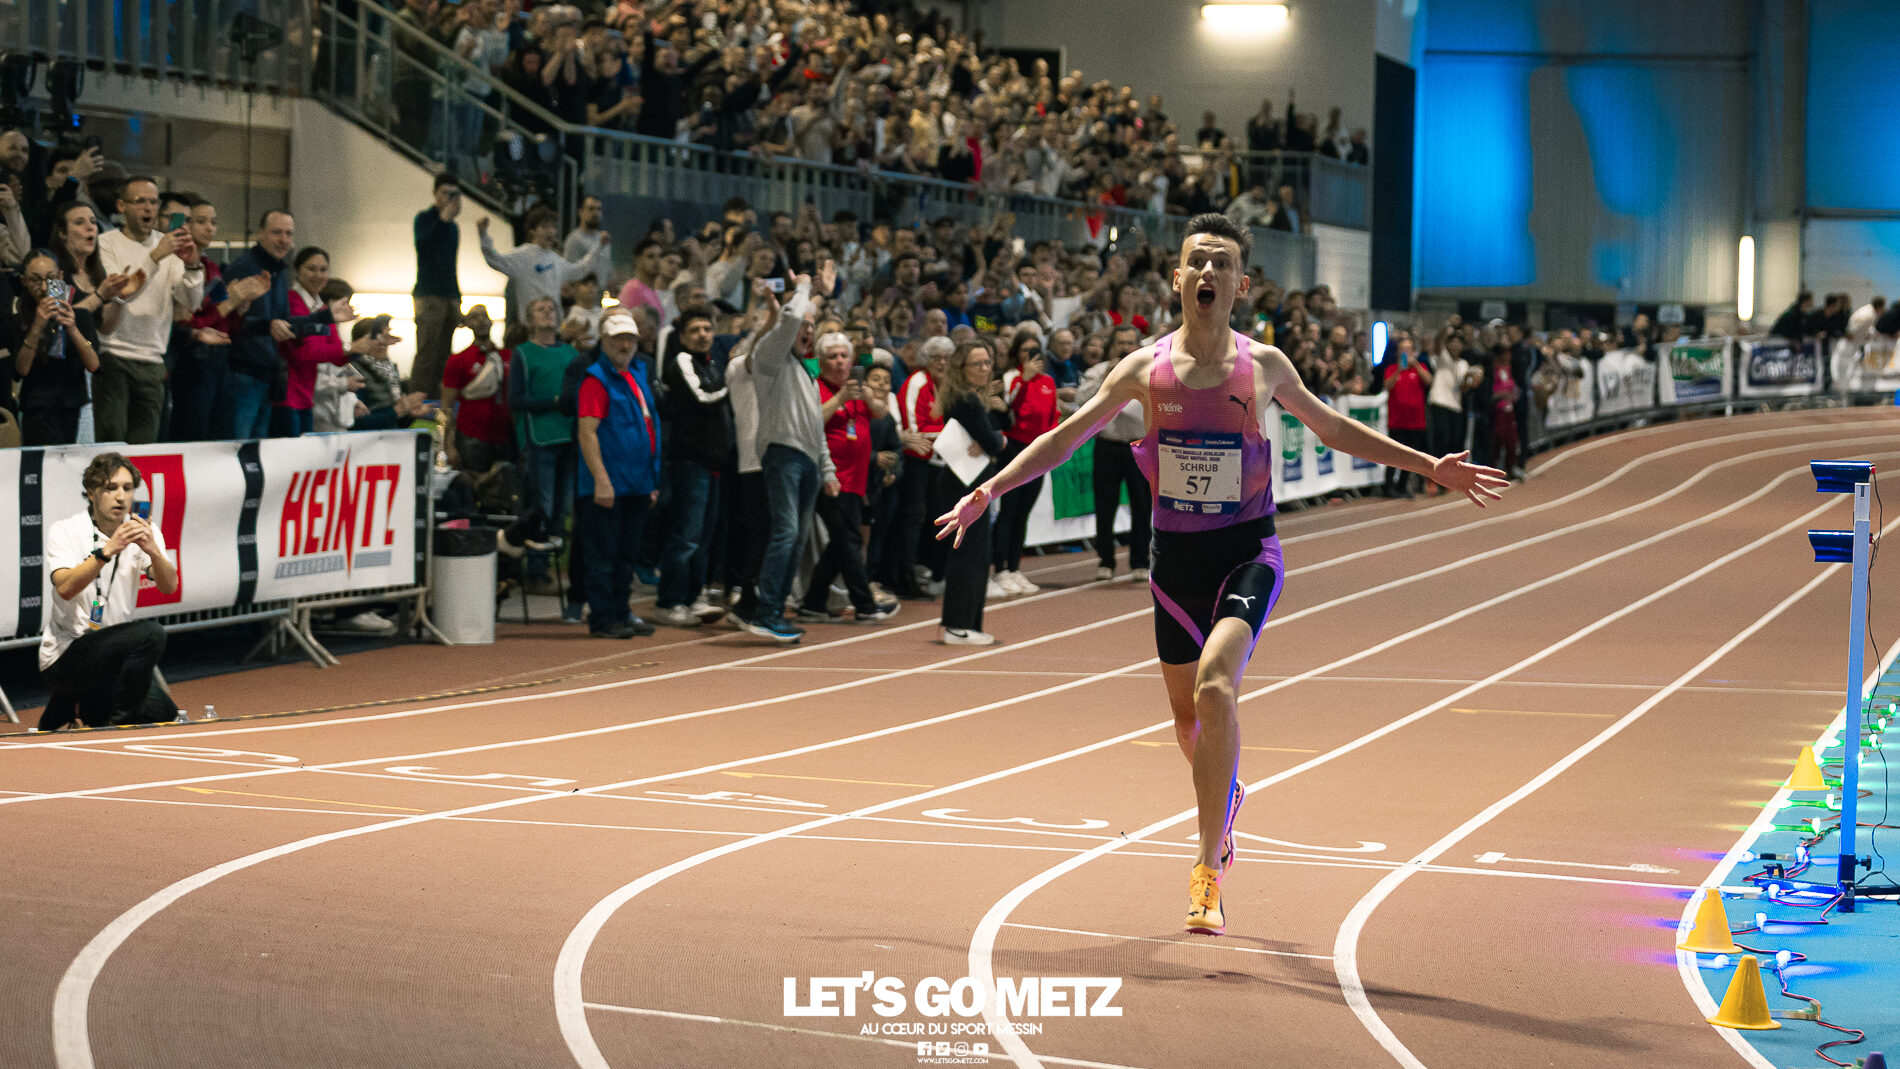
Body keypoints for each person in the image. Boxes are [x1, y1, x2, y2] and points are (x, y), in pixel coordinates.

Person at [935, 214, 1507, 936]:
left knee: (1215, 686)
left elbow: (1333, 428)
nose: (1207, 272)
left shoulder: (1264, 366)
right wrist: (990, 488)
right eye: (1195, 261)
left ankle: (1208, 866)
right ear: (1177, 279)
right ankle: (1224, 792)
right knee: (1188, 721)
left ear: (1241, 283)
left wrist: (1431, 466)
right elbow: (1063, 436)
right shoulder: (1143, 370)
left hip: (1246, 551)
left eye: (1221, 263)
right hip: (1173, 561)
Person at [37, 453, 180, 730]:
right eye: (110, 488)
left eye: (127, 489)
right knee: (151, 634)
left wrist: (153, 551)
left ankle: (67, 709)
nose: (120, 497)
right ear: (91, 493)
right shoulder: (66, 530)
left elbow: (169, 586)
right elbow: (65, 588)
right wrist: (106, 551)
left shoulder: (144, 531)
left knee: (165, 713)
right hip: (68, 653)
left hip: (113, 654)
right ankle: (116, 723)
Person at [741, 270, 839, 644]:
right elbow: (792, 318)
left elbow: (816, 426)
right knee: (786, 532)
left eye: (813, 328)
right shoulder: (769, 357)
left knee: (796, 541)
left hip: (808, 462)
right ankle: (764, 612)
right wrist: (803, 288)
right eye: (804, 326)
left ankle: (776, 611)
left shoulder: (806, 372)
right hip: (782, 455)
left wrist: (827, 469)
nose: (808, 331)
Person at [798, 332, 899, 625]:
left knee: (841, 542)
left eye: (844, 356)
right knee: (850, 539)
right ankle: (864, 603)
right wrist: (840, 397)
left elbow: (880, 413)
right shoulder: (815, 386)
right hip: (830, 478)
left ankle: (814, 603)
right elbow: (812, 421)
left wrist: (868, 395)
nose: (840, 362)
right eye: (832, 357)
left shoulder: (857, 387)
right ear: (821, 361)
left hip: (857, 480)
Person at [95, 175, 205, 444]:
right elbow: (121, 290)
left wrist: (192, 266)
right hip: (114, 354)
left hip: (153, 359)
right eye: (139, 201)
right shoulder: (107, 242)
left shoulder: (167, 243)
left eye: (153, 202)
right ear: (121, 206)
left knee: (145, 447)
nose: (148, 207)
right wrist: (156, 256)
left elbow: (191, 303)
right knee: (112, 441)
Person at [575, 315, 661, 638]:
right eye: (617, 339)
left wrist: (651, 481)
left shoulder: (636, 376)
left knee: (627, 554)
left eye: (630, 339)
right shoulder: (595, 380)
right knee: (603, 555)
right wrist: (600, 478)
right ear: (604, 341)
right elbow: (587, 432)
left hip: (637, 483)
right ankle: (603, 617)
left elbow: (649, 427)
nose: (625, 345)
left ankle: (621, 611)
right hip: (609, 484)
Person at [653, 304, 734, 629]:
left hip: (713, 463)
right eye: (696, 330)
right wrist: (733, 384)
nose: (703, 335)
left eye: (707, 329)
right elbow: (703, 396)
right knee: (686, 536)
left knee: (703, 536)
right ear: (683, 337)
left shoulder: (711, 363)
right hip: (690, 462)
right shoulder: (683, 362)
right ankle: (668, 602)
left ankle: (693, 597)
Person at [933, 338, 1011, 645]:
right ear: (961, 368)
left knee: (979, 553)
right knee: (968, 553)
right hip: (962, 483)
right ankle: (957, 625)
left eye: (987, 363)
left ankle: (969, 625)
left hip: (977, 482)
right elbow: (994, 443)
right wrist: (998, 440)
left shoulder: (979, 399)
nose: (983, 369)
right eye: (976, 364)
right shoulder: (964, 400)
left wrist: (995, 435)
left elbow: (998, 432)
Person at [1078, 323, 1151, 581]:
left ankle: (1140, 561)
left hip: (1140, 445)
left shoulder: (1148, 370)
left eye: (1129, 343)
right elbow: (1080, 398)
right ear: (1112, 346)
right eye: (1120, 343)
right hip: (1108, 445)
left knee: (1142, 506)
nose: (1125, 348)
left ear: (1138, 345)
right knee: (1105, 505)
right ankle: (1105, 561)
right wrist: (1105, 377)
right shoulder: (1098, 371)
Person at [993, 333, 1057, 593]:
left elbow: (1053, 417)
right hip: (1014, 449)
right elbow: (1008, 412)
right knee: (1009, 509)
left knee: (1023, 513)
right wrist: (1024, 380)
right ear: (1017, 353)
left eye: (1035, 350)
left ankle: (1014, 568)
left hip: (1037, 451)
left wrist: (1052, 446)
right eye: (1025, 350)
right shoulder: (1011, 378)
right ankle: (999, 570)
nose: (1031, 355)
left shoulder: (1049, 382)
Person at [441, 305, 514, 474]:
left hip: (504, 437)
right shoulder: (458, 360)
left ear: (491, 322)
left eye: (484, 316)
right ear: (468, 324)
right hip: (471, 436)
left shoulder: (508, 357)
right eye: (474, 317)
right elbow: (447, 405)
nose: (480, 320)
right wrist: (449, 446)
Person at [412, 173, 464, 401]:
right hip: (429, 293)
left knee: (445, 356)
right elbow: (423, 246)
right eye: (445, 193)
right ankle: (416, 406)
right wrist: (442, 219)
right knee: (427, 355)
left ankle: (438, 407)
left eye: (454, 195)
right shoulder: (424, 219)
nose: (449, 199)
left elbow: (451, 265)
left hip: (449, 294)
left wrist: (457, 298)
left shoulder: (453, 227)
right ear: (435, 194)